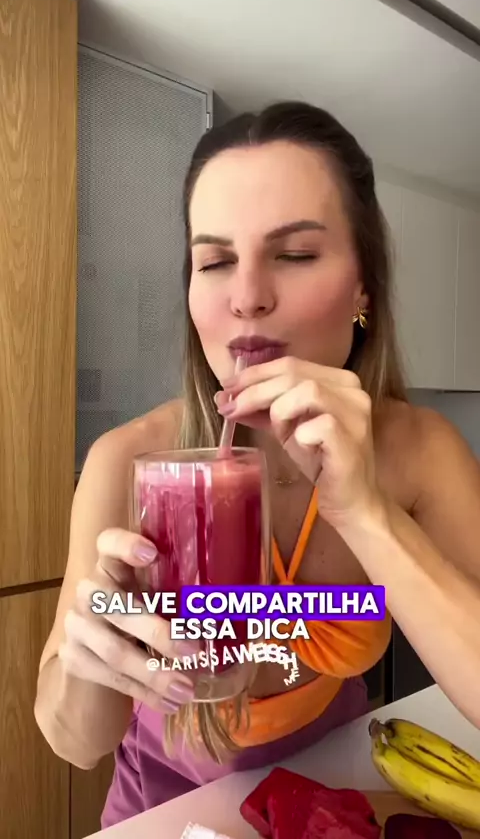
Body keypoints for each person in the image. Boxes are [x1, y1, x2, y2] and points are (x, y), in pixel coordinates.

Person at [35, 101, 480, 828]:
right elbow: (73, 742)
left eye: (295, 254)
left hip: (332, 801)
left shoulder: (421, 452)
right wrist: (93, 651)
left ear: (364, 287)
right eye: (214, 262)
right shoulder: (128, 464)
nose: (246, 298)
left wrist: (367, 513)